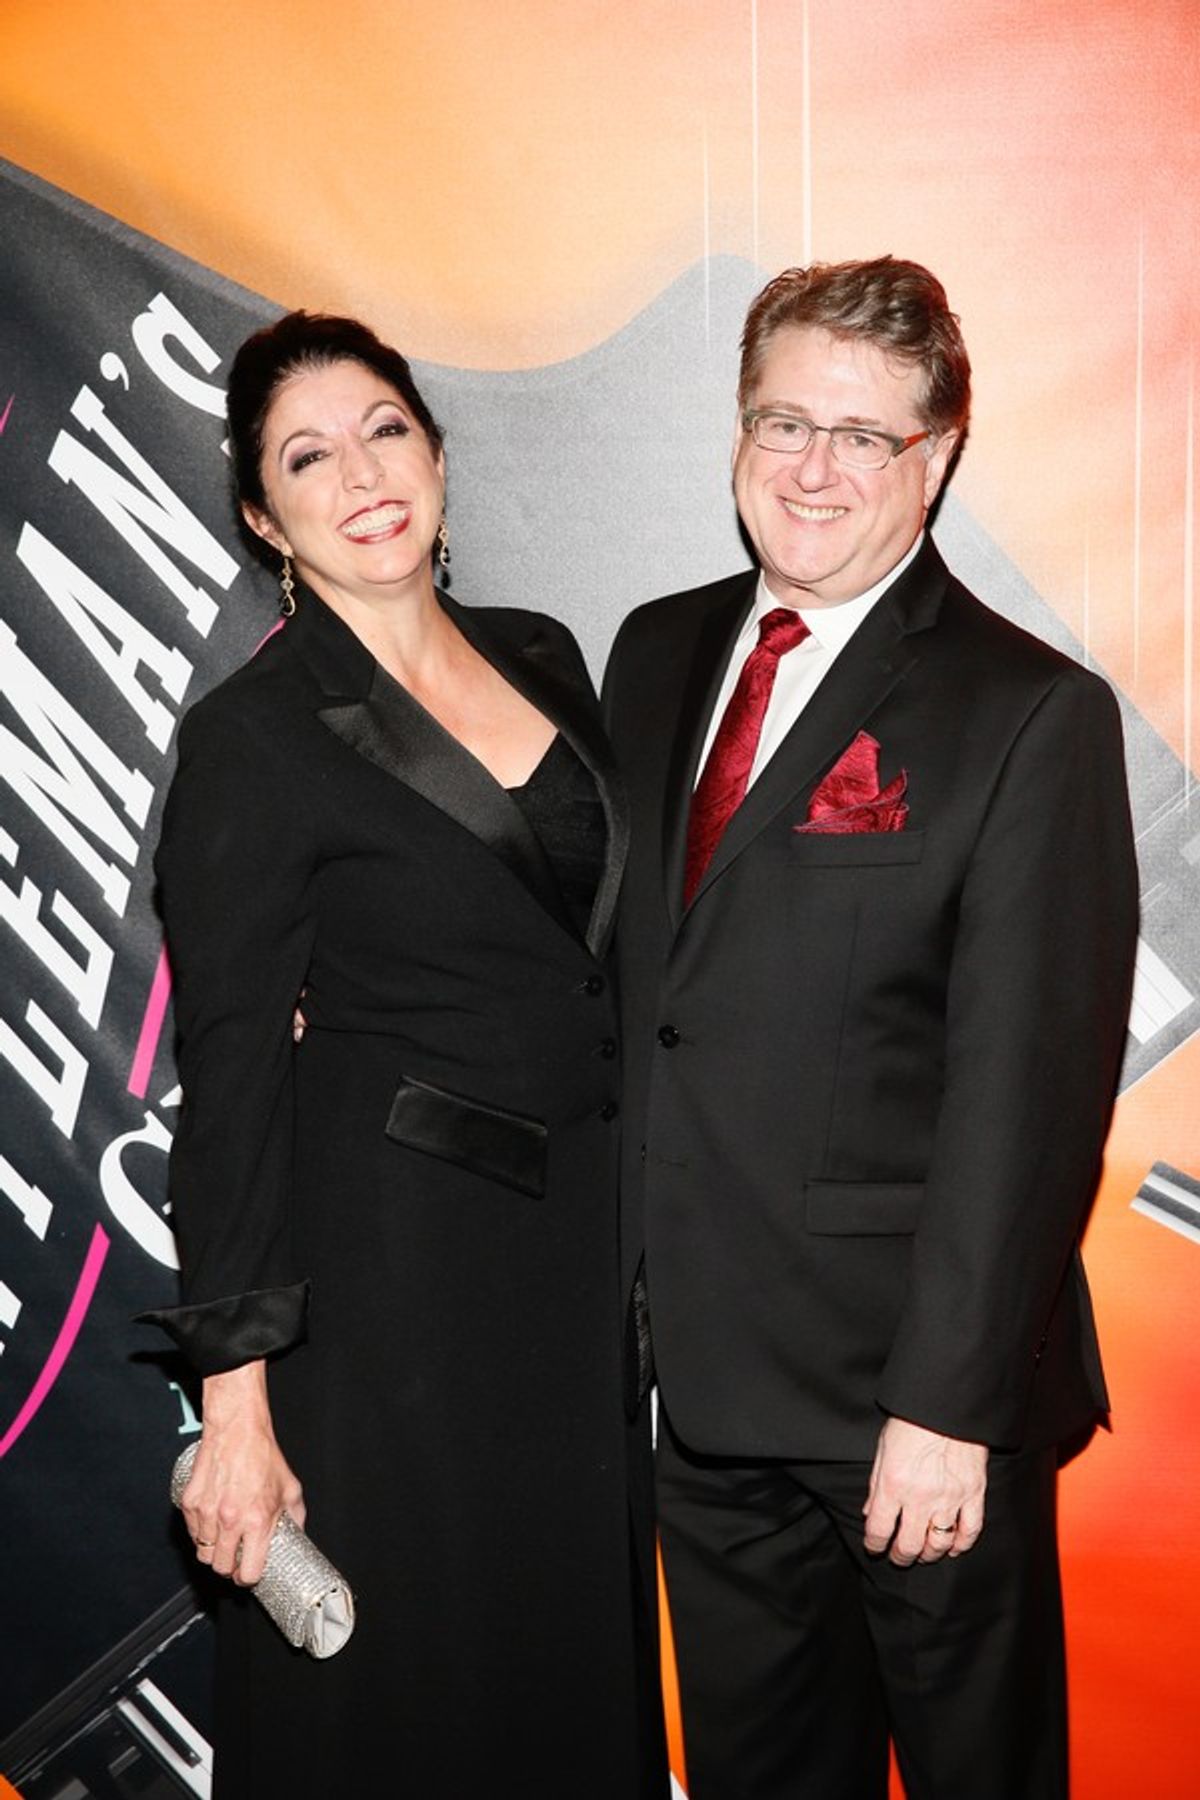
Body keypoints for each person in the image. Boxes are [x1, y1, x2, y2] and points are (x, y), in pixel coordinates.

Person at [602, 257, 1139, 1799]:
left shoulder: (1029, 712)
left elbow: (1027, 1100)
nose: (813, 468)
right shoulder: (654, 654)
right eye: (783, 421)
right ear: (735, 432)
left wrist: (945, 1407)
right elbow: (630, 979)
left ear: (939, 456)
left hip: (908, 1411)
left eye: (864, 435)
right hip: (699, 1399)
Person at [142, 310, 669, 1798]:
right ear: (263, 514)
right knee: (418, 1695)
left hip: (575, 1272)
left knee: (563, 1659)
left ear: (436, 450)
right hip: (399, 1289)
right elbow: (232, 1075)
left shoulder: (543, 655)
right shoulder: (255, 740)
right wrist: (235, 1407)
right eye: (308, 455)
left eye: (385, 428)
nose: (361, 473)